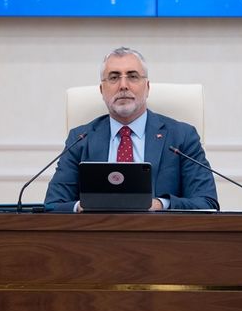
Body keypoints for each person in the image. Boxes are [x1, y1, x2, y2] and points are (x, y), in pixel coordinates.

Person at [45, 47, 219, 212]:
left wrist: (160, 204)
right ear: (102, 90)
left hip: (159, 232)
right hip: (97, 231)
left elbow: (207, 203)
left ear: (147, 88)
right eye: (114, 77)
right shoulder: (80, 138)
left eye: (133, 76)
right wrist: (82, 206)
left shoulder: (182, 137)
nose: (123, 85)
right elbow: (53, 205)